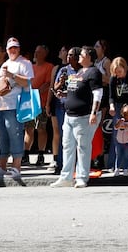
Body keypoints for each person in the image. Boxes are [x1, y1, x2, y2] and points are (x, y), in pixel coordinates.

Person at [52, 46, 103, 188]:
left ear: (89, 57)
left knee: (83, 147)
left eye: (82, 54)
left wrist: (94, 112)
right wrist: (65, 95)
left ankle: (82, 177)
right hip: (69, 116)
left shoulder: (94, 72)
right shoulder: (80, 71)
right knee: (67, 146)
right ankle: (66, 177)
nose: (79, 55)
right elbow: (76, 91)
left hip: (84, 116)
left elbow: (97, 94)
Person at [0, 39, 33, 183]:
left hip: (14, 105)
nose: (12, 50)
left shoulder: (25, 63)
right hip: (1, 106)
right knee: (1, 136)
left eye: (15, 48)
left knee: (15, 134)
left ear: (19, 49)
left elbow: (27, 82)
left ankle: (16, 167)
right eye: (10, 48)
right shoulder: (5, 63)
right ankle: (2, 166)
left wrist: (11, 75)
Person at [48, 47, 79, 176]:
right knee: (64, 136)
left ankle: (76, 165)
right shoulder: (63, 70)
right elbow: (54, 88)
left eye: (71, 55)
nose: (68, 57)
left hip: (77, 107)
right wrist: (60, 82)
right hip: (62, 107)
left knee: (76, 137)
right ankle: (61, 164)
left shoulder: (82, 71)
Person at [26, 45, 55, 166]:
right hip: (29, 103)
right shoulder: (30, 67)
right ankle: (25, 154)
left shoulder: (49, 67)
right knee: (28, 128)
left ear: (44, 54)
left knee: (41, 128)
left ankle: (41, 154)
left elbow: (48, 84)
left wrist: (36, 92)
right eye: (35, 52)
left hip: (41, 102)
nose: (36, 54)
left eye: (39, 52)